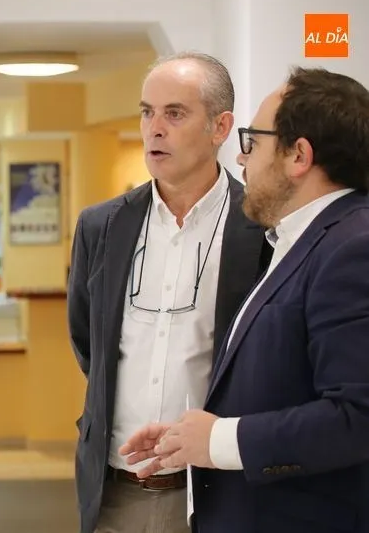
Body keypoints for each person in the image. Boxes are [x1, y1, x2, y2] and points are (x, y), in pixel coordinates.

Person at [119, 66, 369, 533]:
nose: (242, 160)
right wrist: (189, 436)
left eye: (253, 143)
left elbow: (358, 416)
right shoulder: (298, 239)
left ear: (299, 155)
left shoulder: (353, 247)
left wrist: (219, 440)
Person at [66, 51, 272, 533]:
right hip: (114, 489)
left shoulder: (264, 227)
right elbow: (87, 343)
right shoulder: (101, 226)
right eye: (146, 112)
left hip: (221, 490)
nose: (154, 128)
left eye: (174, 113)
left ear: (221, 128)